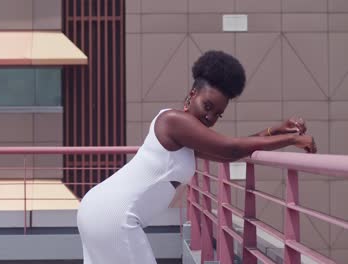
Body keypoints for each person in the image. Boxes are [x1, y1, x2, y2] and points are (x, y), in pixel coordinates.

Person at [77, 50, 317, 264]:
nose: (209, 118)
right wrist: (291, 140)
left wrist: (274, 131)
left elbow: (227, 153)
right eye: (207, 106)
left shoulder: (184, 133)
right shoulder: (173, 121)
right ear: (192, 94)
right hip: (113, 214)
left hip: (101, 210)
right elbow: (229, 148)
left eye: (217, 115)